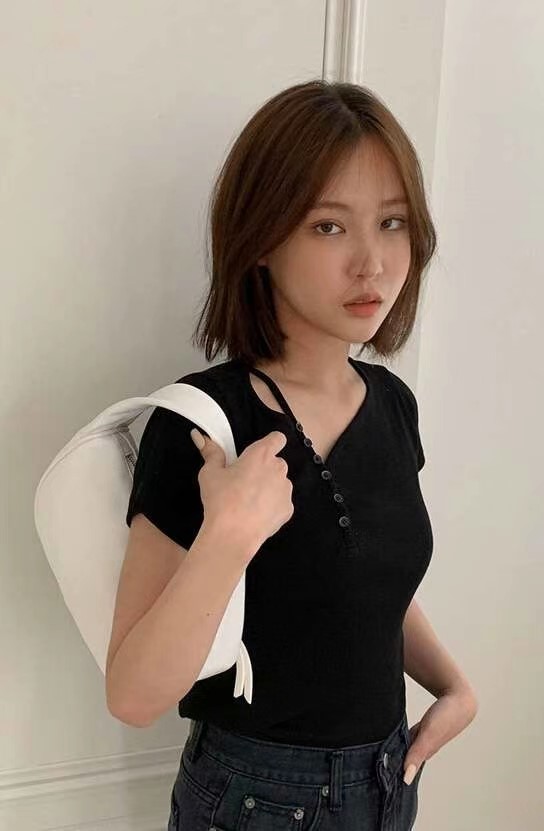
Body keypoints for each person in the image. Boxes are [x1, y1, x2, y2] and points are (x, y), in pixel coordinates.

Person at [105, 79, 477, 830]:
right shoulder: (204, 421)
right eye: (329, 227)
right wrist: (229, 534)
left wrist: (453, 686)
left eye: (393, 222)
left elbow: (361, 583)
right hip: (257, 798)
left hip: (386, 781)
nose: (372, 263)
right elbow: (133, 695)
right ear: (262, 239)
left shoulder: (392, 405)